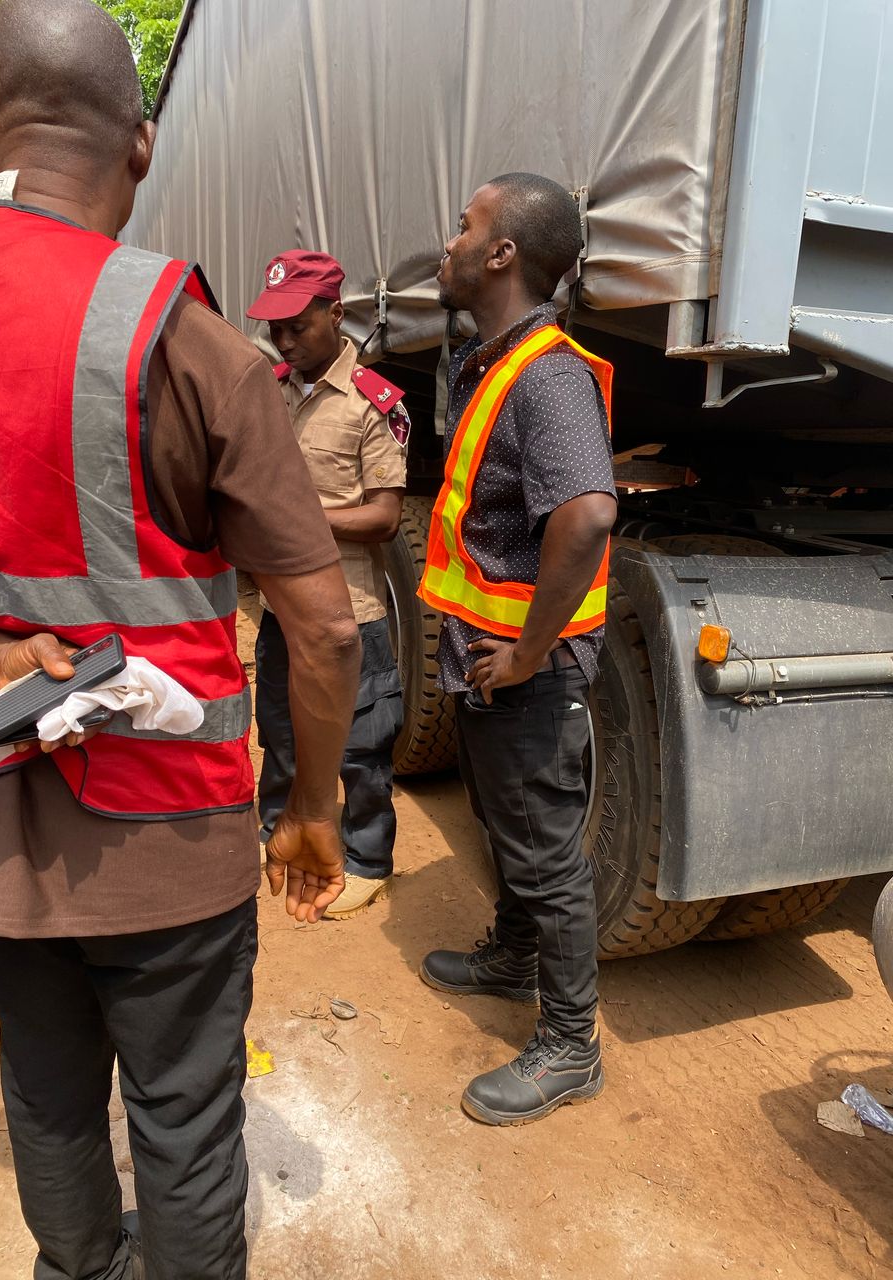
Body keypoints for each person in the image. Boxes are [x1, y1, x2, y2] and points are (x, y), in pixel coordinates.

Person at [0, 3, 361, 1278]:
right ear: (143, 146)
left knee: (50, 1094)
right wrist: (315, 803)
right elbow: (326, 628)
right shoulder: (195, 343)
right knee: (181, 1118)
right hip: (172, 839)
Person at [417, 173, 618, 1126]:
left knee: (547, 857)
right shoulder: (498, 359)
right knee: (508, 829)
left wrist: (532, 653)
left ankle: (572, 1047)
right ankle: (511, 955)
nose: (448, 241)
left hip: (528, 674)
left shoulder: (546, 373)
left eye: (466, 227)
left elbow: (587, 516)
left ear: (503, 254)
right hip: (486, 658)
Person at [247, 251, 409, 919]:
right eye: (276, 330)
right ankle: (278, 830)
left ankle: (367, 856)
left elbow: (384, 516)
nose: (284, 341)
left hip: (351, 607)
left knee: (362, 739)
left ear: (336, 314)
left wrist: (300, 517)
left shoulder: (373, 402)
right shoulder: (272, 390)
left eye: (297, 327)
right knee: (280, 725)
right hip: (280, 603)